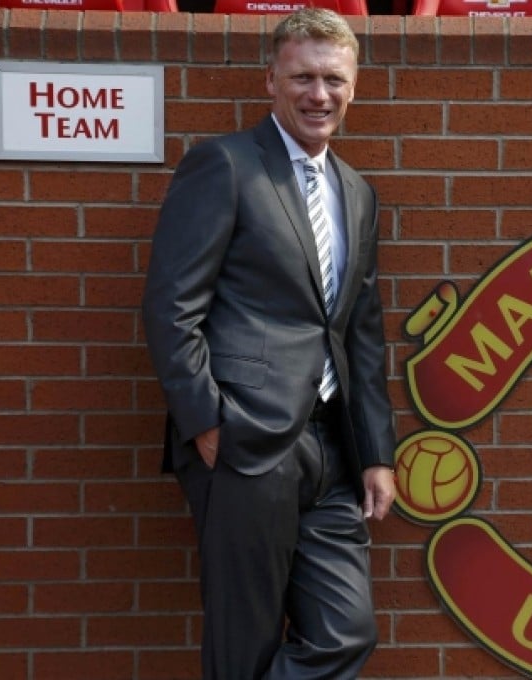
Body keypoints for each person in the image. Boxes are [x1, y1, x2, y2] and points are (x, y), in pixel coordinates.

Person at [141, 9, 396, 680]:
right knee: (244, 638)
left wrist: (375, 453)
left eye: (333, 79)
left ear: (355, 86)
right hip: (244, 441)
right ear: (272, 81)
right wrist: (206, 421)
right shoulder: (224, 166)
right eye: (304, 77)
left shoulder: (358, 194)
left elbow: (360, 334)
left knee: (347, 629)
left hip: (331, 450)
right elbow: (172, 306)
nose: (320, 94)